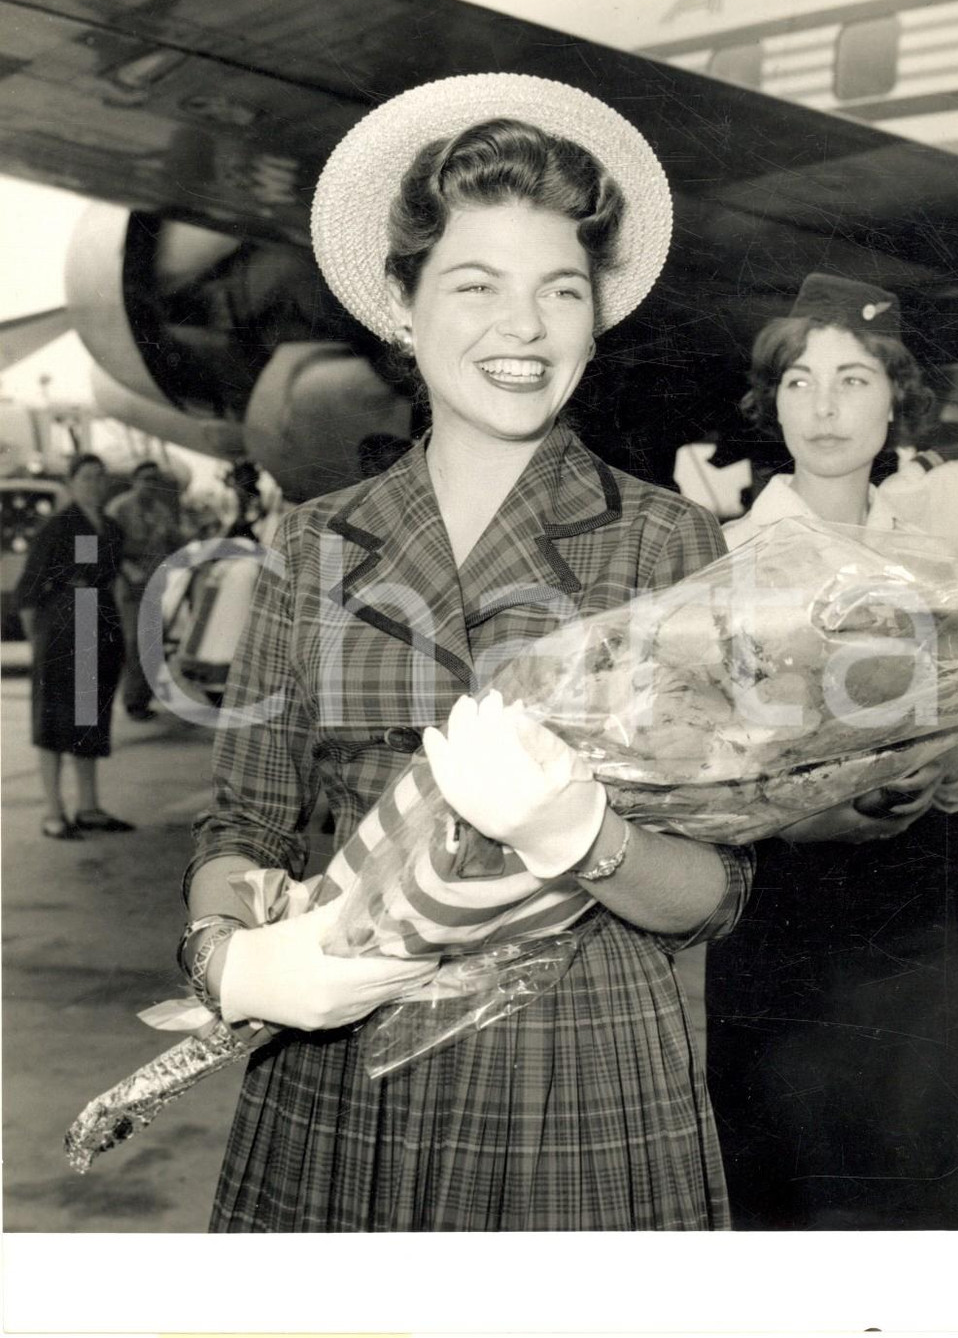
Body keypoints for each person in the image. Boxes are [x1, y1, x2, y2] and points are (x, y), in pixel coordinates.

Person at [181, 73, 754, 1232]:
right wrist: (231, 956)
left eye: (560, 289)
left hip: (578, 1078)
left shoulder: (667, 542)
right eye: (475, 283)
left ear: (596, 315)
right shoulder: (312, 543)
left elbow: (716, 890)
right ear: (401, 303)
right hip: (338, 1075)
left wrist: (582, 838)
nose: (524, 327)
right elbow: (244, 824)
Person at [703, 273, 958, 1230]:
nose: (824, 407)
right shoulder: (719, 559)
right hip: (775, 927)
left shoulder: (939, 564)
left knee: (923, 1208)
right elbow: (694, 755)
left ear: (896, 399)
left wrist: (950, 769)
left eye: (853, 380)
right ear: (773, 402)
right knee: (787, 1211)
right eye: (800, 381)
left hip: (911, 931)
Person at [16, 452, 134, 838]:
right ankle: (54, 813)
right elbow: (29, 588)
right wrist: (38, 640)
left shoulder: (110, 528)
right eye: (86, 477)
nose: (94, 483)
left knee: (89, 718)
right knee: (53, 720)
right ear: (70, 483)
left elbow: (110, 578)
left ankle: (89, 807)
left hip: (98, 620)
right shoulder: (59, 526)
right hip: (64, 624)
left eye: (100, 476)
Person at [106, 460, 184, 720]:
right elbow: (107, 547)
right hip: (128, 586)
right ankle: (132, 701)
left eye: (155, 480)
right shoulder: (119, 508)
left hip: (154, 585)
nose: (150, 484)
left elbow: (176, 540)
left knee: (152, 640)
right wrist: (127, 570)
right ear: (135, 480)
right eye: (146, 478)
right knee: (134, 641)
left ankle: (141, 700)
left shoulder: (161, 511)